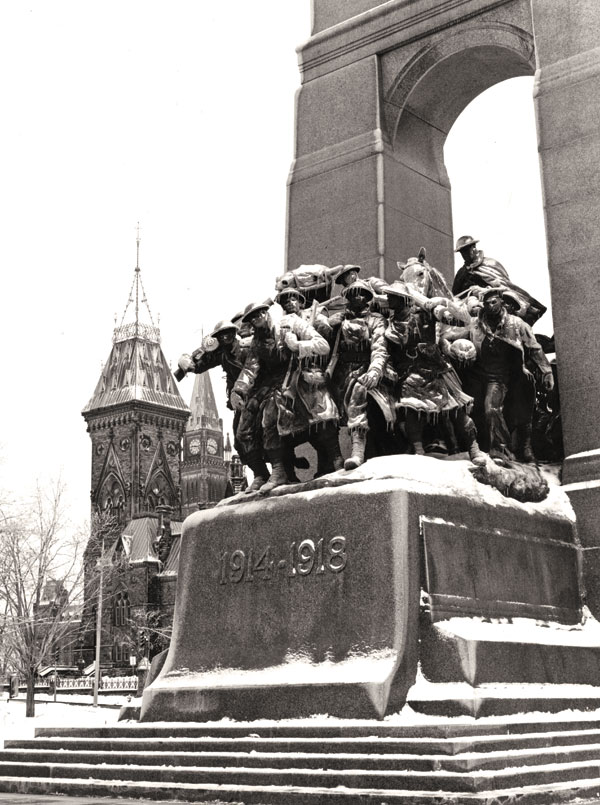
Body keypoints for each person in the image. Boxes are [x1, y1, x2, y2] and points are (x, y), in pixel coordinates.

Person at [441, 287, 554, 461]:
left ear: (502, 302)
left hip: (516, 376)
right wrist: (449, 349)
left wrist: (546, 372)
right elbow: (447, 336)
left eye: (494, 301)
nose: (490, 305)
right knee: (490, 410)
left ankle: (525, 447)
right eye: (486, 303)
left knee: (522, 415)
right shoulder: (476, 326)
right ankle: (501, 450)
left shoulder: (517, 324)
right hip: (494, 378)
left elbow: (535, 349)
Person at [232, 300, 333, 493]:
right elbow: (250, 367)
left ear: (267, 312)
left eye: (260, 313)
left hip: (295, 376)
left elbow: (322, 345)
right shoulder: (257, 342)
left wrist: (297, 345)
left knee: (269, 416)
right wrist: (238, 390)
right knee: (243, 427)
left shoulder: (290, 323)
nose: (258, 318)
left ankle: (279, 471)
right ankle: (261, 473)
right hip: (269, 383)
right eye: (253, 317)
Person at [383, 281, 486, 462]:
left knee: (457, 412)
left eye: (393, 296)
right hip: (410, 374)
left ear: (403, 299)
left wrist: (443, 306)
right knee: (411, 410)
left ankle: (474, 448)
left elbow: (460, 320)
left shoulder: (425, 314)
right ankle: (418, 450)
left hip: (436, 370)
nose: (389, 298)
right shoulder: (390, 324)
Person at [176, 320, 266, 486]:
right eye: (221, 335)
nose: (225, 337)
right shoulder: (222, 353)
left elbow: (251, 369)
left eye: (228, 333)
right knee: (239, 442)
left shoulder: (247, 347)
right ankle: (261, 474)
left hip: (255, 393)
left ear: (234, 333)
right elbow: (202, 364)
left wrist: (238, 389)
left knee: (248, 433)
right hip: (240, 401)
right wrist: (188, 365)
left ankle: (273, 470)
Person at [326, 281, 393, 470]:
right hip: (340, 372)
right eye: (353, 294)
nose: (358, 297)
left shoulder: (377, 319)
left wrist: (374, 371)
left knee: (358, 393)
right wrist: (328, 326)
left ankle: (357, 451)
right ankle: (331, 459)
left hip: (366, 368)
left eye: (362, 294)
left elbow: (380, 348)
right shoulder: (339, 320)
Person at [452, 235, 546, 324]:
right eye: (462, 252)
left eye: (467, 250)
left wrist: (485, 290)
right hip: (471, 308)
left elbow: (504, 286)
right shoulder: (461, 273)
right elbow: (455, 296)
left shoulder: (490, 264)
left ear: (474, 248)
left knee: (508, 298)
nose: (465, 254)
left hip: (492, 301)